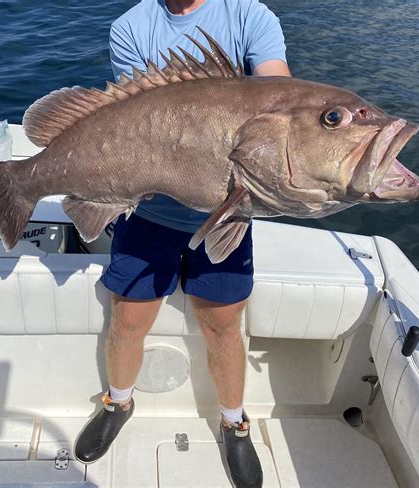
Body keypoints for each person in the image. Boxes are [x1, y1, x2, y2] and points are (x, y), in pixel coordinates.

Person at [75, 1, 291, 486]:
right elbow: (136, 115)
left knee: (221, 325)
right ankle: (117, 402)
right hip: (148, 213)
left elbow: (279, 91)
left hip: (229, 211)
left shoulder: (249, 16)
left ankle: (235, 424)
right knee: (128, 319)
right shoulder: (131, 27)